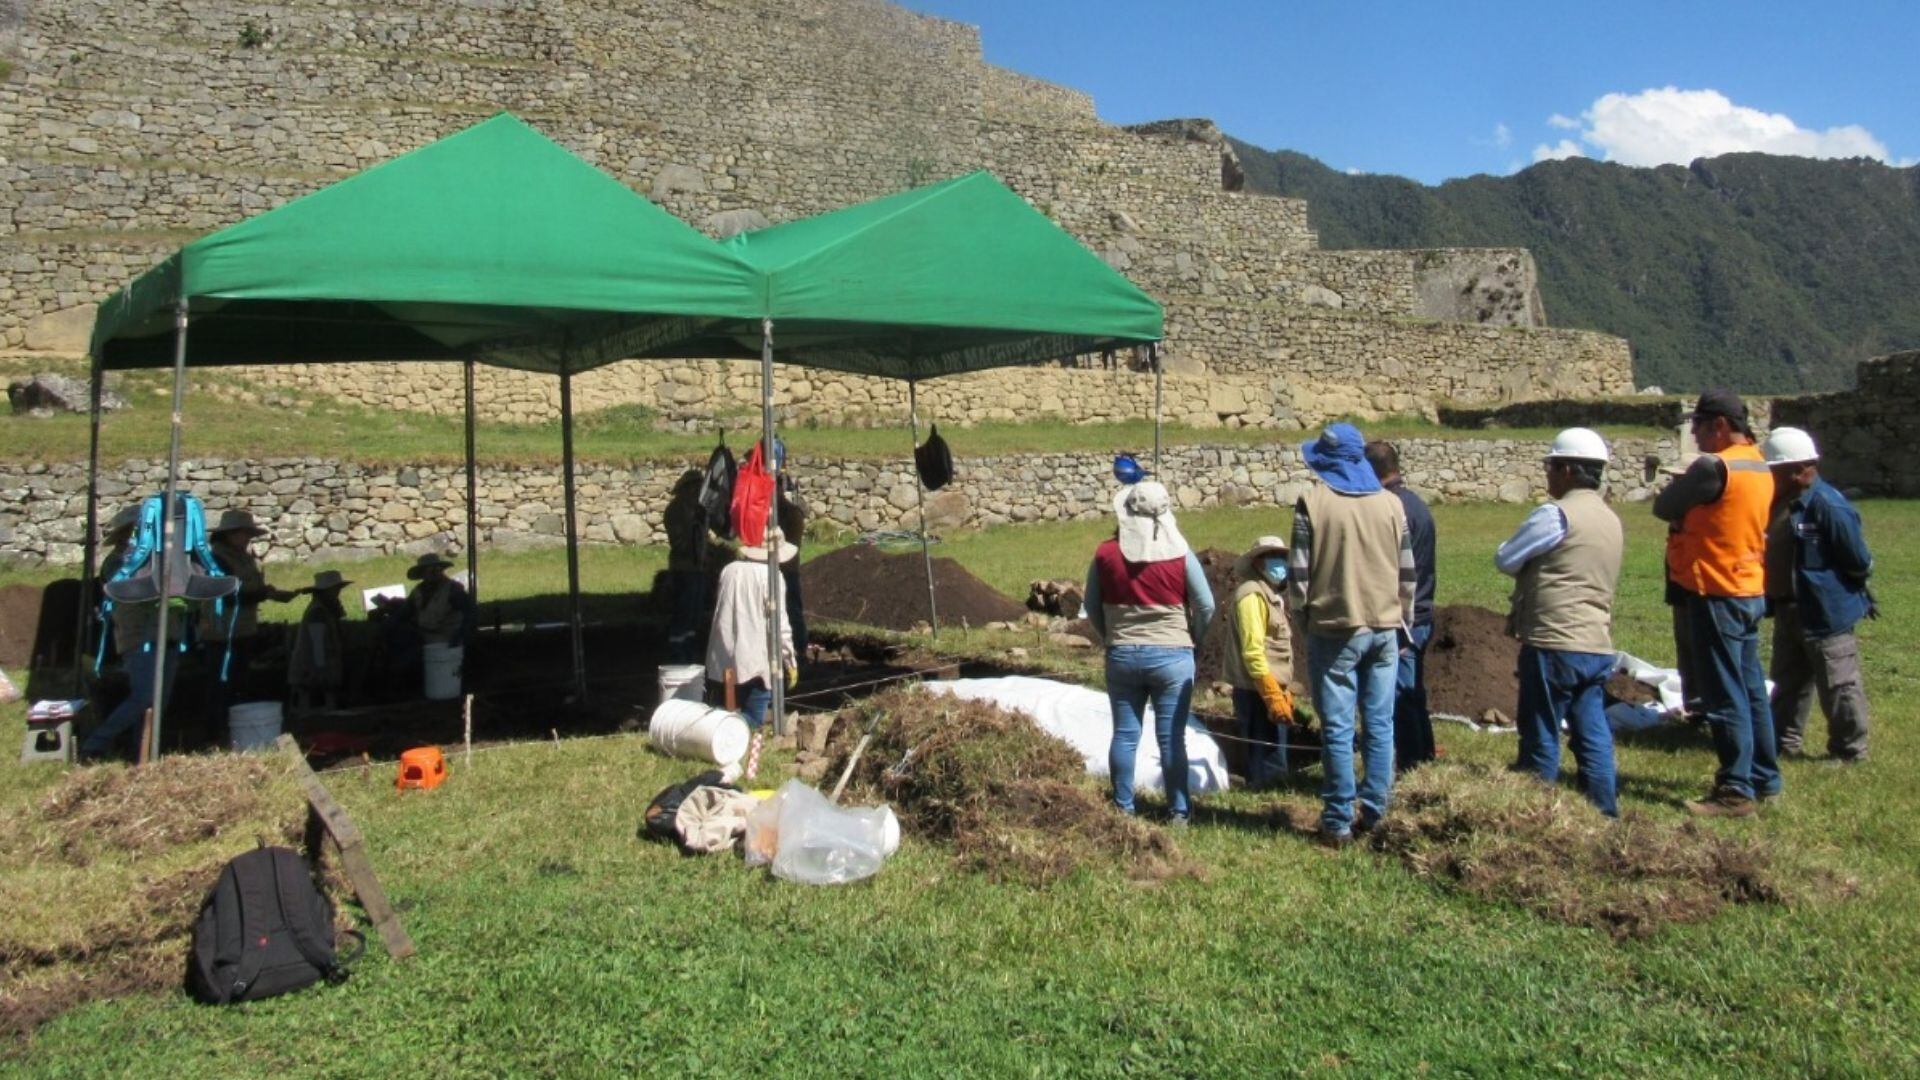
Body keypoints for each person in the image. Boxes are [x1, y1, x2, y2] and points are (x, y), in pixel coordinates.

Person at [1288, 422, 1415, 845]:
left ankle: (1338, 818)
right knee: (1381, 722)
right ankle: (1376, 811)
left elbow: (1300, 575)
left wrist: (1302, 617)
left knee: (1339, 728)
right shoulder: (1392, 505)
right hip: (1384, 626)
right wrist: (1404, 621)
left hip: (1335, 626)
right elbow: (1407, 574)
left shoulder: (1312, 503)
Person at [1654, 389, 1778, 817]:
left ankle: (1735, 789)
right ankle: (1766, 776)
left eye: (1699, 426)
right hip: (1748, 586)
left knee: (1724, 695)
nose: (1694, 433)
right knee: (1751, 691)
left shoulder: (1713, 468)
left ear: (1720, 426)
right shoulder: (1759, 465)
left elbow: (1664, 506)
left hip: (1715, 589)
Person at [1495, 429, 1625, 817]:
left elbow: (1506, 558)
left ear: (1567, 469)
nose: (1547, 475)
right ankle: (1604, 810)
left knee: (1542, 730)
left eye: (1550, 467)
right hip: (1596, 641)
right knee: (1592, 732)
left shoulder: (1556, 515)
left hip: (1554, 639)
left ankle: (1538, 811)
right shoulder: (1611, 519)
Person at [1084, 478, 1216, 825]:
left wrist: (1111, 636)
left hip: (1123, 654)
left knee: (1126, 734)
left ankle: (1124, 808)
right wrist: (1194, 638)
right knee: (1172, 737)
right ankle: (1178, 811)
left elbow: (1091, 605)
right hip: (1172, 654)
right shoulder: (1180, 554)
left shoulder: (1104, 554)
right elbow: (1205, 605)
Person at [1761, 426, 1874, 764]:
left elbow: (1857, 559)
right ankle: (1783, 741)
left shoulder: (1828, 505)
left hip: (1825, 610)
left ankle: (1850, 750)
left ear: (1798, 470)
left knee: (1839, 685)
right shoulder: (1783, 503)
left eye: (1775, 471)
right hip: (1789, 607)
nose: (1771, 477)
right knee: (1788, 682)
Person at [81, 505, 183, 761]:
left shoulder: (155, 559)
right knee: (143, 697)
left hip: (167, 634)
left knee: (157, 703)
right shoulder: (117, 563)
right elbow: (126, 591)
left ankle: (142, 752)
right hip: (138, 636)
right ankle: (96, 743)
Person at [1365, 440, 1437, 772]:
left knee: (1400, 699)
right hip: (1420, 611)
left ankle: (1411, 769)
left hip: (1404, 617)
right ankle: (1423, 760)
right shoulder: (1416, 505)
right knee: (1413, 698)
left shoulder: (1392, 509)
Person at [200, 509, 297, 723]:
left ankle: (232, 725)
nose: (247, 540)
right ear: (231, 534)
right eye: (245, 534)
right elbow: (227, 595)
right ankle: (216, 728)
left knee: (238, 683)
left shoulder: (244, 558)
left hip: (242, 629)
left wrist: (267, 592)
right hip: (221, 632)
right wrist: (265, 593)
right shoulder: (217, 559)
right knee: (221, 685)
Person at [1223, 536, 1295, 789]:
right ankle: (1263, 800)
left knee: (1274, 755)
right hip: (1256, 689)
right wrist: (1271, 692)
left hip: (1268, 687)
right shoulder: (1251, 597)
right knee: (1264, 756)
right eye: (1271, 557)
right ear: (1257, 563)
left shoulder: (1271, 595)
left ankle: (1271, 794)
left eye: (1282, 557)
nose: (1280, 563)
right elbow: (1252, 651)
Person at [706, 539, 797, 731]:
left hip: (723, 655)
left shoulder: (729, 569)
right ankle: (726, 734)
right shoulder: (772, 576)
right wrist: (789, 660)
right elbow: (779, 623)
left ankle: (721, 731)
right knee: (753, 720)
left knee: (726, 708)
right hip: (756, 660)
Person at [663, 469, 713, 664]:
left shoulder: (697, 510)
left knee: (694, 615)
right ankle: (678, 654)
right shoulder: (675, 510)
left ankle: (689, 653)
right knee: (683, 615)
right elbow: (680, 543)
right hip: (683, 569)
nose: (696, 491)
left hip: (697, 569)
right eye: (694, 487)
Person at [289, 570, 352, 711]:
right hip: (311, 671)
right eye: (335, 590)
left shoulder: (325, 610)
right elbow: (318, 646)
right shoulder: (317, 613)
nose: (337, 594)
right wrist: (322, 674)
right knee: (315, 708)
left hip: (318, 669)